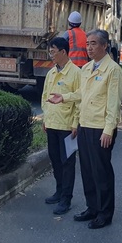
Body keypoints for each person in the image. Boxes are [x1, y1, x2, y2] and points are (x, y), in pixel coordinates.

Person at [48, 29, 122, 230]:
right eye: (88, 43)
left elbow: (114, 102)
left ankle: (105, 213)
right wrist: (64, 97)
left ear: (105, 46)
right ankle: (92, 207)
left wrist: (109, 129)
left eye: (94, 43)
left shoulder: (113, 70)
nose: (89, 47)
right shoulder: (87, 68)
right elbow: (82, 93)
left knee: (102, 172)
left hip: (101, 128)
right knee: (88, 171)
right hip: (85, 125)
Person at [40, 37, 81, 215]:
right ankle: (58, 191)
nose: (51, 55)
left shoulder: (76, 74)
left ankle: (66, 198)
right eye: (50, 51)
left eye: (53, 51)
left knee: (67, 163)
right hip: (52, 124)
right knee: (55, 159)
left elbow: (79, 100)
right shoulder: (51, 73)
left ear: (63, 52)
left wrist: (75, 123)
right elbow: (45, 97)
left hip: (67, 126)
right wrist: (45, 118)